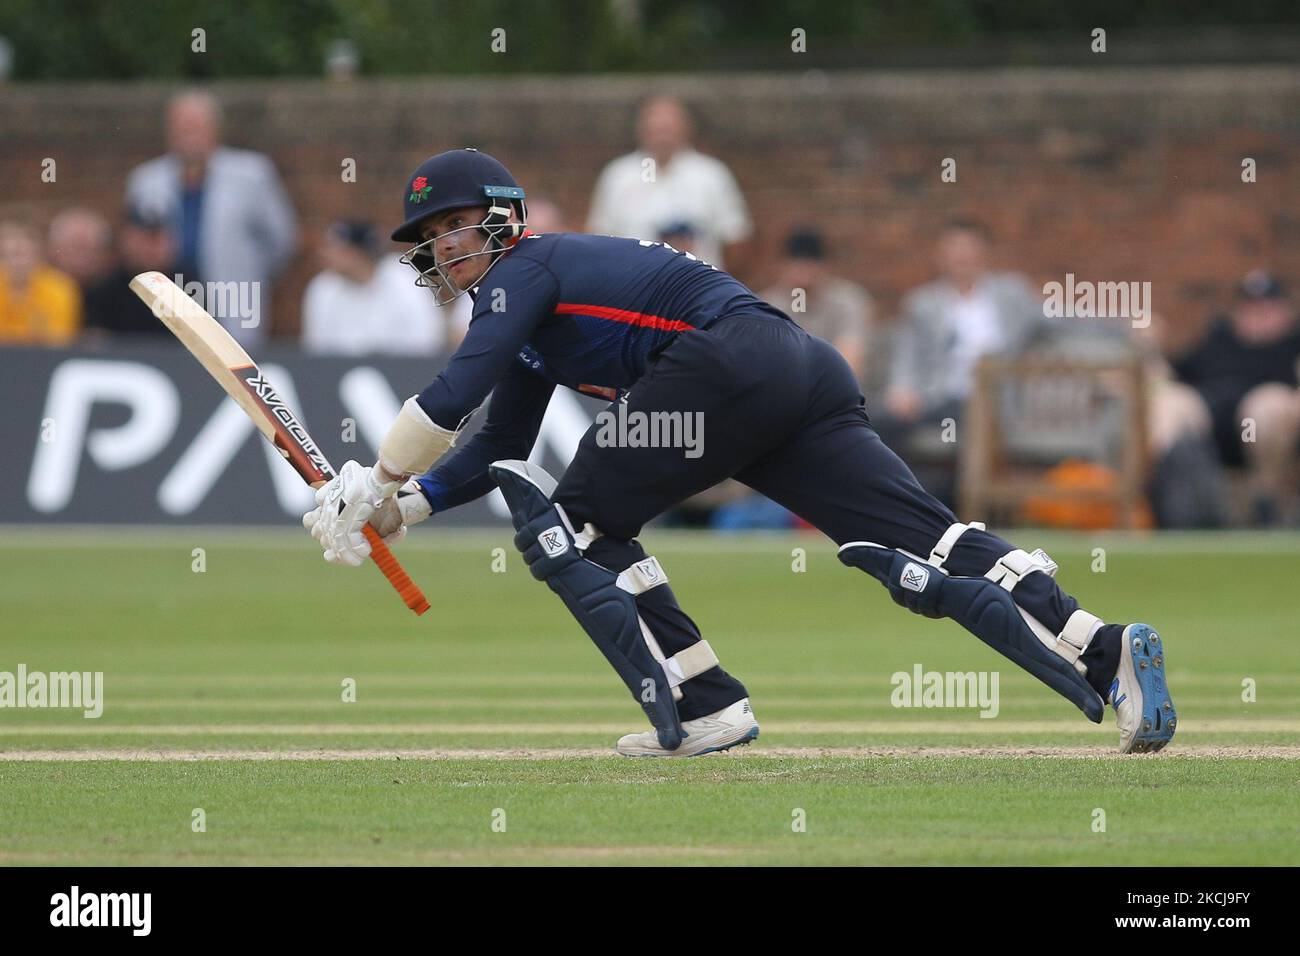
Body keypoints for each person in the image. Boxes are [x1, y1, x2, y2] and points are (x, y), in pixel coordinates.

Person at [301, 149, 1177, 758]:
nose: (444, 247)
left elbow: (452, 397)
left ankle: (704, 703)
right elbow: (499, 438)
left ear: (501, 222)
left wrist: (374, 479)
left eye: (455, 225)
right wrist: (403, 508)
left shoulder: (524, 269)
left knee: (572, 525)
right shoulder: (531, 309)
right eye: (433, 235)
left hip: (720, 365)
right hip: (791, 368)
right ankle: (1102, 647)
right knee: (921, 544)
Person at [125, 90, 298, 346]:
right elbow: (132, 244)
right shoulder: (146, 179)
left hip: (231, 303)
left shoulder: (252, 174)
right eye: (181, 127)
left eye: (196, 127)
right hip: (165, 309)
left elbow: (283, 240)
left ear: (216, 129)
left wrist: (249, 274)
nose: (188, 136)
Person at [1173, 271, 1300, 526]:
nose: (1259, 315)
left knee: (1265, 407)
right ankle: (1178, 504)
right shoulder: (1218, 342)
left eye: (1268, 308)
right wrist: (1146, 350)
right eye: (1251, 308)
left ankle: (1266, 501)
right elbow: (1173, 375)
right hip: (1212, 432)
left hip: (1265, 432)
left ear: (1286, 312)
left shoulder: (1292, 345)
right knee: (1172, 405)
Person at [586, 95, 752, 272]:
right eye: (656, 128)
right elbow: (599, 238)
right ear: (641, 129)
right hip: (635, 289)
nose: (662, 135)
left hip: (697, 289)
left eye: (668, 127)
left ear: (686, 128)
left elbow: (736, 237)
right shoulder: (619, 175)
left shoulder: (711, 175)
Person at [301, 220, 449, 356]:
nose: (326, 254)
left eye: (336, 248)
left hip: (402, 373)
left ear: (357, 253)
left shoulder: (405, 279)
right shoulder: (322, 287)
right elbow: (317, 350)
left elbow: (426, 341)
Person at [762, 227, 874, 385]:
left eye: (810, 262)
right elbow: (764, 363)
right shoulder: (768, 305)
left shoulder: (848, 301)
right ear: (783, 265)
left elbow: (849, 363)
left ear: (824, 265)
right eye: (796, 262)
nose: (803, 269)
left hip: (837, 396)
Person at [81, 206, 179, 338]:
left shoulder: (186, 288)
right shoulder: (103, 290)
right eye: (144, 239)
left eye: (158, 238)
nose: (152, 248)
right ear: (125, 240)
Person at [0, 221, 80, 345]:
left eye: (22, 254)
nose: (16, 262)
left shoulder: (59, 288)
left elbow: (60, 339)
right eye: (7, 255)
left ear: (39, 254)